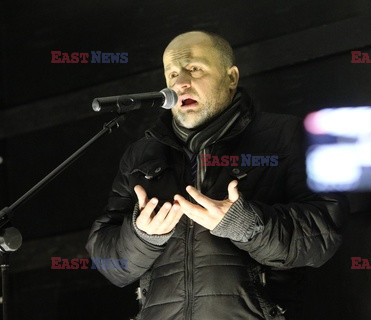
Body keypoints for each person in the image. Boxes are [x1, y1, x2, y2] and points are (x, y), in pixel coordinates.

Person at [86, 31, 348, 320]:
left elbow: (324, 234)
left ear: (231, 77)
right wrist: (142, 237)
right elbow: (107, 261)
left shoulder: (287, 136)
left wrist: (245, 224)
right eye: (172, 74)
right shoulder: (141, 154)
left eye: (195, 68)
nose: (180, 82)